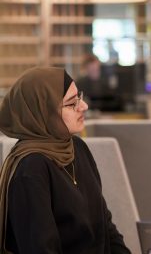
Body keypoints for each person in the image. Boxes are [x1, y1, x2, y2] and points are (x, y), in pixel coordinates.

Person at [0, 67, 131, 253]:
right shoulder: (31, 168)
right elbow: (41, 249)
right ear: (44, 112)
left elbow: (105, 225)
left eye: (80, 97)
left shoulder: (77, 147)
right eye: (71, 103)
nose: (83, 106)